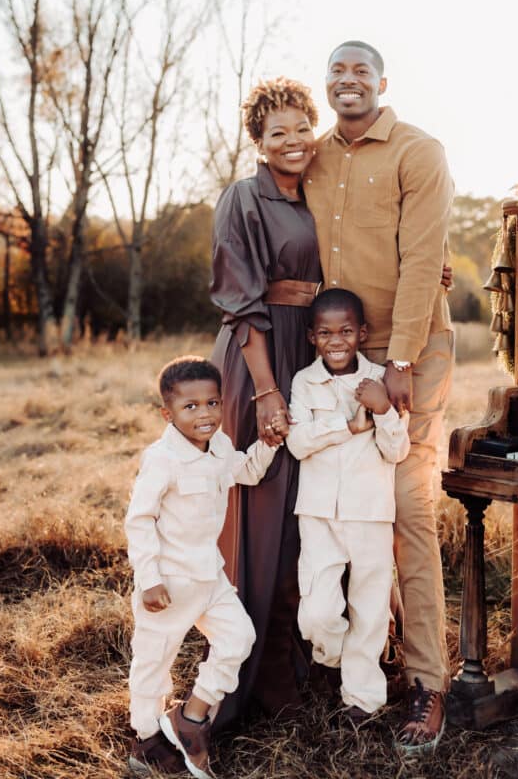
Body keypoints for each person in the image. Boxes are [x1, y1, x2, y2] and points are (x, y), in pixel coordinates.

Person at [302, 41, 455, 753]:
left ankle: (428, 683)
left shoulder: (417, 152)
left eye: (359, 70)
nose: (347, 81)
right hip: (336, 353)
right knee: (347, 509)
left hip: (407, 348)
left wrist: (398, 359)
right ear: (325, 86)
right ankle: (371, 641)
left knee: (405, 512)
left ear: (382, 83)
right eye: (335, 71)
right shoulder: (314, 156)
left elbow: (425, 258)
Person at [209, 77, 321, 723]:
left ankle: (303, 651)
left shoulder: (319, 196)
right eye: (276, 132)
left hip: (312, 354)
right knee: (264, 511)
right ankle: (260, 671)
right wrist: (268, 390)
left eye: (301, 128)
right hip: (259, 359)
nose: (292, 141)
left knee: (308, 509)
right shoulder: (242, 198)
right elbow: (240, 302)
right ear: (258, 140)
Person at [125, 356, 279, 779]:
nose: (205, 414)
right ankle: (145, 741)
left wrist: (269, 443)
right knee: (154, 661)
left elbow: (245, 472)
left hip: (209, 575)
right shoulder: (162, 459)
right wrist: (149, 579)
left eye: (212, 403)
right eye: (190, 407)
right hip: (170, 582)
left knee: (238, 637)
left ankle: (191, 718)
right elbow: (139, 519)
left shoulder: (222, 446)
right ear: (168, 413)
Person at [277, 287, 410, 722]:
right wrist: (347, 424)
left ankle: (362, 699)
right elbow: (297, 443)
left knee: (369, 608)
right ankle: (337, 656)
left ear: (362, 333)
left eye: (347, 331)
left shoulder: (379, 381)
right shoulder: (303, 381)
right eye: (326, 332)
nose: (336, 340)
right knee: (316, 613)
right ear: (312, 337)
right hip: (317, 514)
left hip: (370, 512)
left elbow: (397, 451)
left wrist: (384, 411)